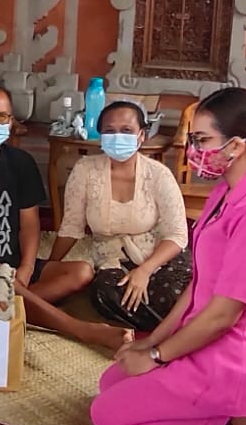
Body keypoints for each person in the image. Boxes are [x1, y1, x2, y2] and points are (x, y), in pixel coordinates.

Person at [89, 87, 246, 425]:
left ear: (236, 145)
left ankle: (233, 412)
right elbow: (198, 286)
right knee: (110, 382)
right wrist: (152, 341)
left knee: (106, 419)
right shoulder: (226, 191)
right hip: (202, 340)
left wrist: (156, 358)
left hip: (232, 358)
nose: (192, 150)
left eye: (201, 140)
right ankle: (220, 407)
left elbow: (224, 316)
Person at [0, 81, 127, 350]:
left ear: (11, 122)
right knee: (9, 284)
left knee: (82, 271)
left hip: (12, 264)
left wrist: (26, 268)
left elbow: (30, 224)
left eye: (1, 117)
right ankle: (79, 329)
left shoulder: (21, 163)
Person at [49, 100, 190, 332]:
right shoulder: (85, 170)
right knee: (106, 294)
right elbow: (72, 227)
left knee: (176, 292)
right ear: (101, 136)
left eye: (126, 130)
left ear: (141, 135)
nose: (118, 137)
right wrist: (50, 267)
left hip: (158, 254)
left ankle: (175, 325)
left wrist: (144, 271)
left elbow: (177, 234)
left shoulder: (159, 175)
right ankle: (178, 326)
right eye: (110, 131)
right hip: (113, 258)